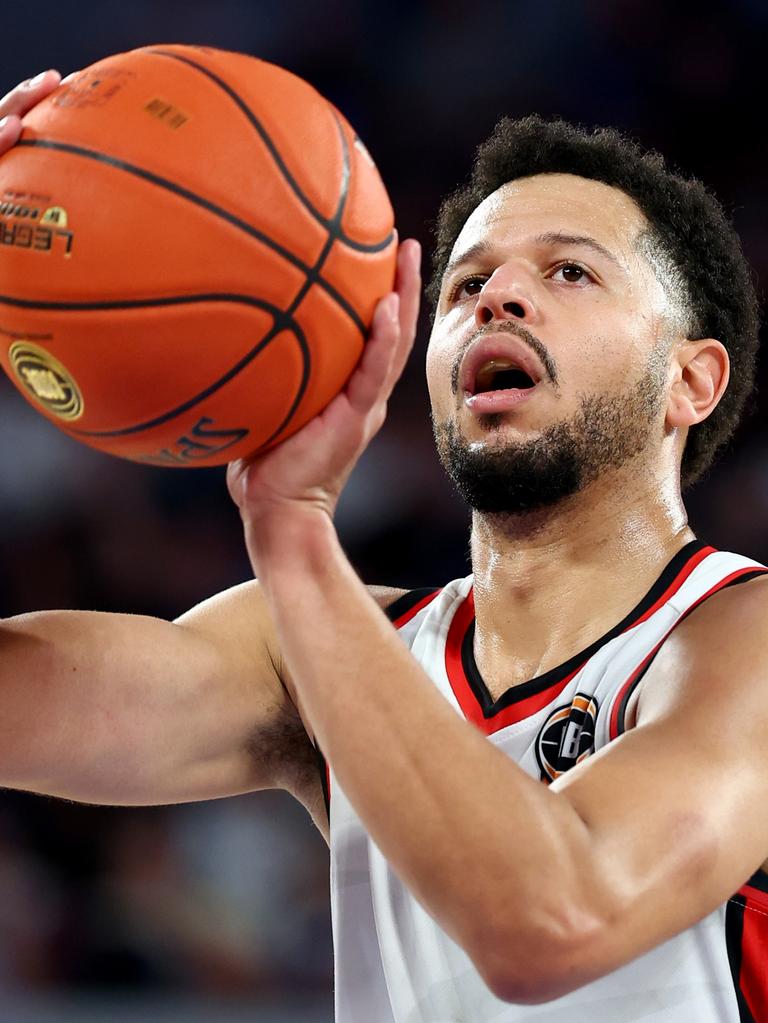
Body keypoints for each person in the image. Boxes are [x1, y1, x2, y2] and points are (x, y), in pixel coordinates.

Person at [1, 71, 767, 1023]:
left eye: (568, 271)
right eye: (467, 283)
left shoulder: (743, 637)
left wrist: (293, 536)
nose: (501, 299)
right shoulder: (321, 644)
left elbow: (553, 922)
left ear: (689, 381)